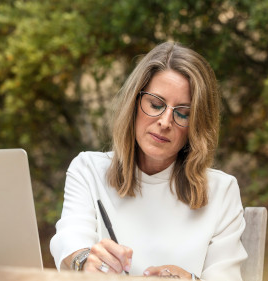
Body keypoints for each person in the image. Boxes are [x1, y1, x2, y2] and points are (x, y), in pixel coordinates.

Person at [50, 42, 247, 280]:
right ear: (134, 102)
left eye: (183, 113)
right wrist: (85, 262)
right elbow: (70, 240)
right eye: (155, 104)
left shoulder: (221, 191)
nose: (165, 122)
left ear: (197, 124)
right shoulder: (89, 170)